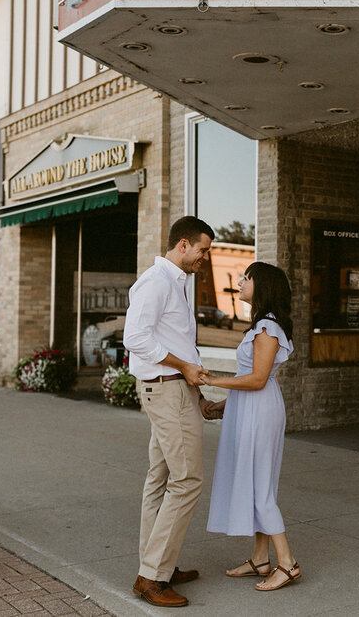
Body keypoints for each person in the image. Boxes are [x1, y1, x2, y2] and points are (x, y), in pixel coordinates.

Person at [123, 216, 217, 608]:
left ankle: (161, 562)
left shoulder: (173, 283)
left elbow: (172, 340)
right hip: (166, 391)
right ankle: (153, 576)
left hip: (175, 392)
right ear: (182, 245)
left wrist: (196, 395)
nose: (205, 258)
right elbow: (135, 337)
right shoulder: (156, 281)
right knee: (188, 479)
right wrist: (183, 368)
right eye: (203, 250)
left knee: (161, 478)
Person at [201, 261, 301, 592]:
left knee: (261, 487)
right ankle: (260, 558)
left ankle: (287, 564)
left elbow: (258, 379)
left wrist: (215, 380)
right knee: (256, 483)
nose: (241, 282)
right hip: (251, 407)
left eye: (248, 278)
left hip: (261, 410)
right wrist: (226, 405)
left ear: (264, 287)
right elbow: (256, 380)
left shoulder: (268, 328)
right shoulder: (261, 325)